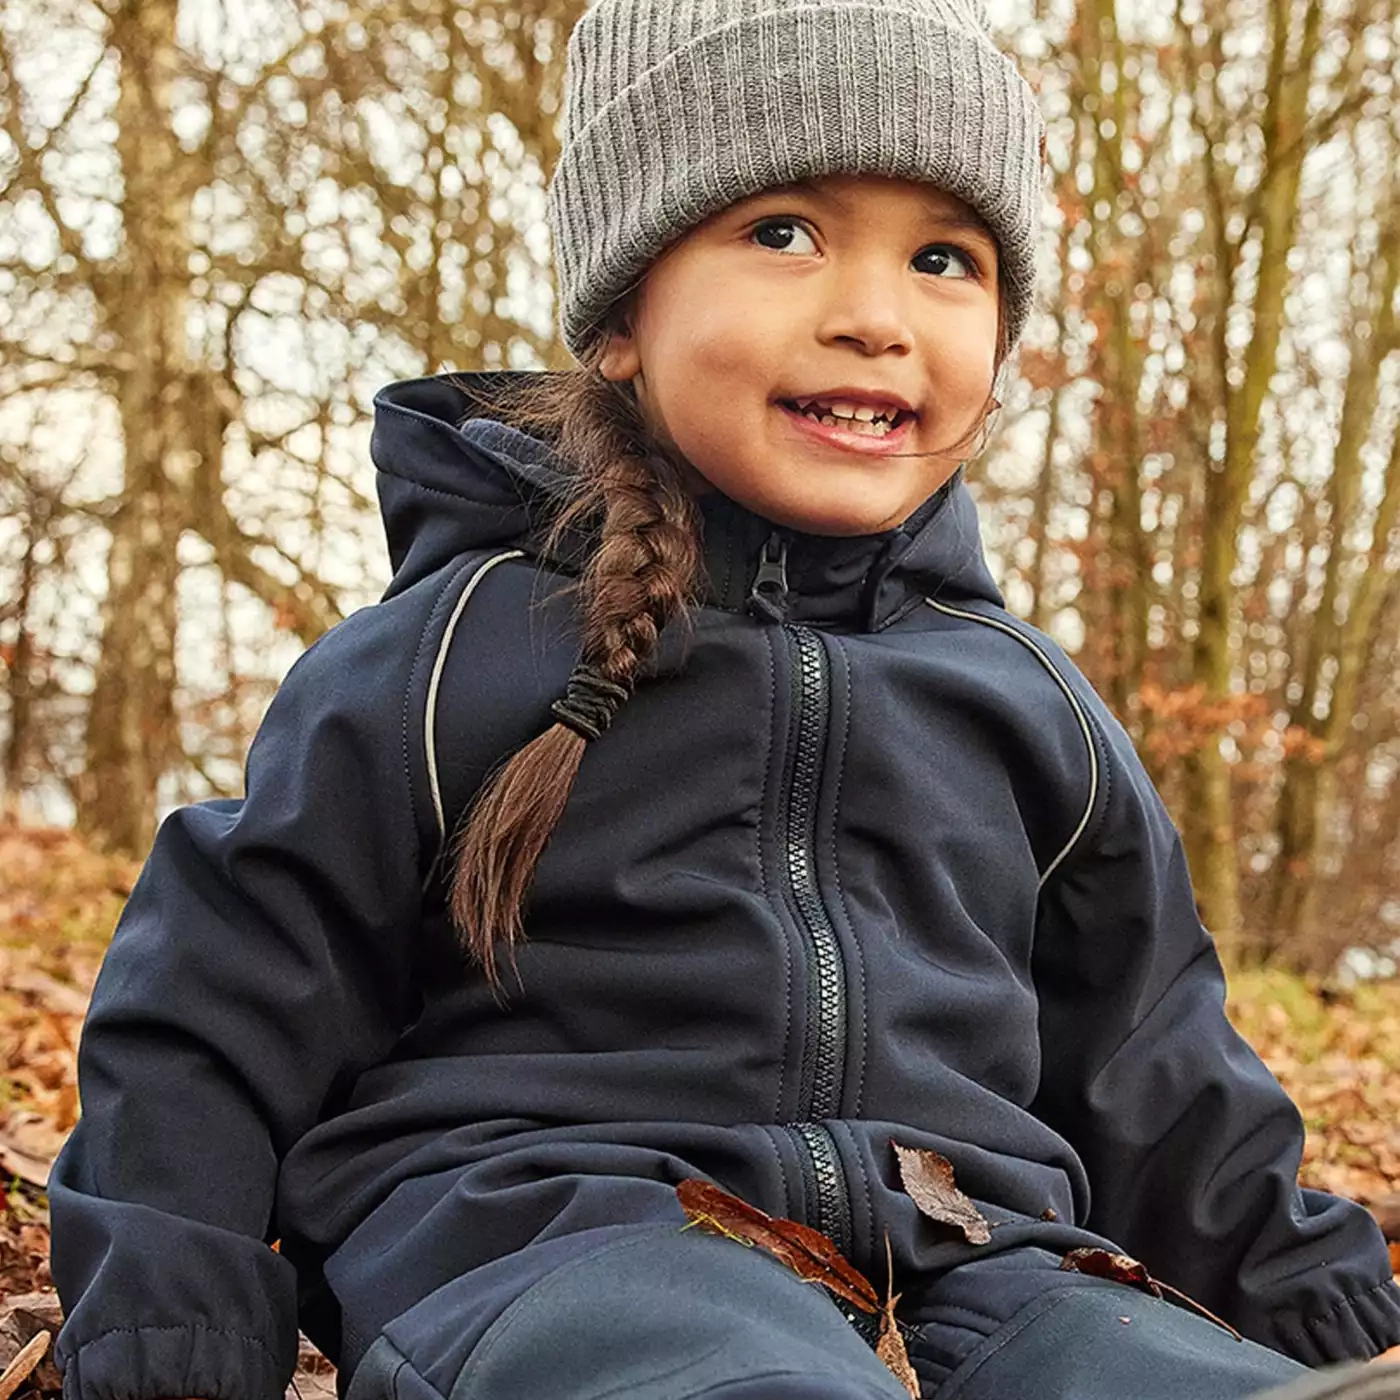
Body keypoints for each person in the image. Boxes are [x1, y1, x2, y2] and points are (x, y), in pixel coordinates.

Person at [48, 1, 1400, 1397]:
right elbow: (215, 1003)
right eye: (784, 233)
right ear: (626, 313)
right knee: (723, 1370)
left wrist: (1340, 1333)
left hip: (972, 1256)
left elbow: (1161, 1080)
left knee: (1145, 1372)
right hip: (559, 1243)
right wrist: (174, 1338)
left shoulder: (1029, 707)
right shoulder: (454, 653)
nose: (876, 317)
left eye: (944, 258)